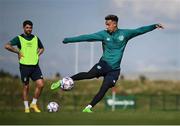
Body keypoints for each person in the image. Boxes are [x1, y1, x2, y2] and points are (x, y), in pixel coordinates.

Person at [51, 14, 164, 113]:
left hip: (114, 70)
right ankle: (62, 81)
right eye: (106, 24)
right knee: (89, 74)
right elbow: (86, 37)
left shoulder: (125, 34)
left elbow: (139, 30)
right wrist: (68, 40)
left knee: (104, 88)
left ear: (114, 24)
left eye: (108, 24)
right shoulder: (103, 34)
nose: (106, 26)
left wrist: (153, 26)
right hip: (104, 64)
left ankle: (88, 107)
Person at [4, 20, 45, 113]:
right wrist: (17, 52)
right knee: (26, 87)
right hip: (24, 66)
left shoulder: (36, 38)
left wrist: (37, 54)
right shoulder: (19, 38)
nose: (29, 29)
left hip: (35, 66)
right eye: (27, 27)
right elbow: (7, 46)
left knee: (41, 84)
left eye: (30, 28)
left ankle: (33, 104)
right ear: (23, 28)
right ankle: (26, 107)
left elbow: (42, 48)